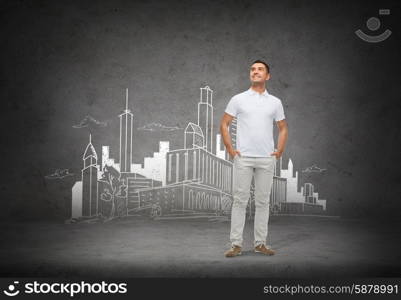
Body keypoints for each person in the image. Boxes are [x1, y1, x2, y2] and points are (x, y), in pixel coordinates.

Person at [220, 60, 288, 257]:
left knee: (263, 202)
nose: (255, 72)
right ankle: (236, 245)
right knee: (239, 201)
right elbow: (224, 124)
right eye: (252, 69)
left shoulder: (275, 102)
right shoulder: (238, 99)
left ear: (267, 76)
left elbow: (283, 127)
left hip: (267, 159)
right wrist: (230, 149)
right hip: (244, 158)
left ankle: (260, 243)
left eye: (260, 70)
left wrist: (280, 150)